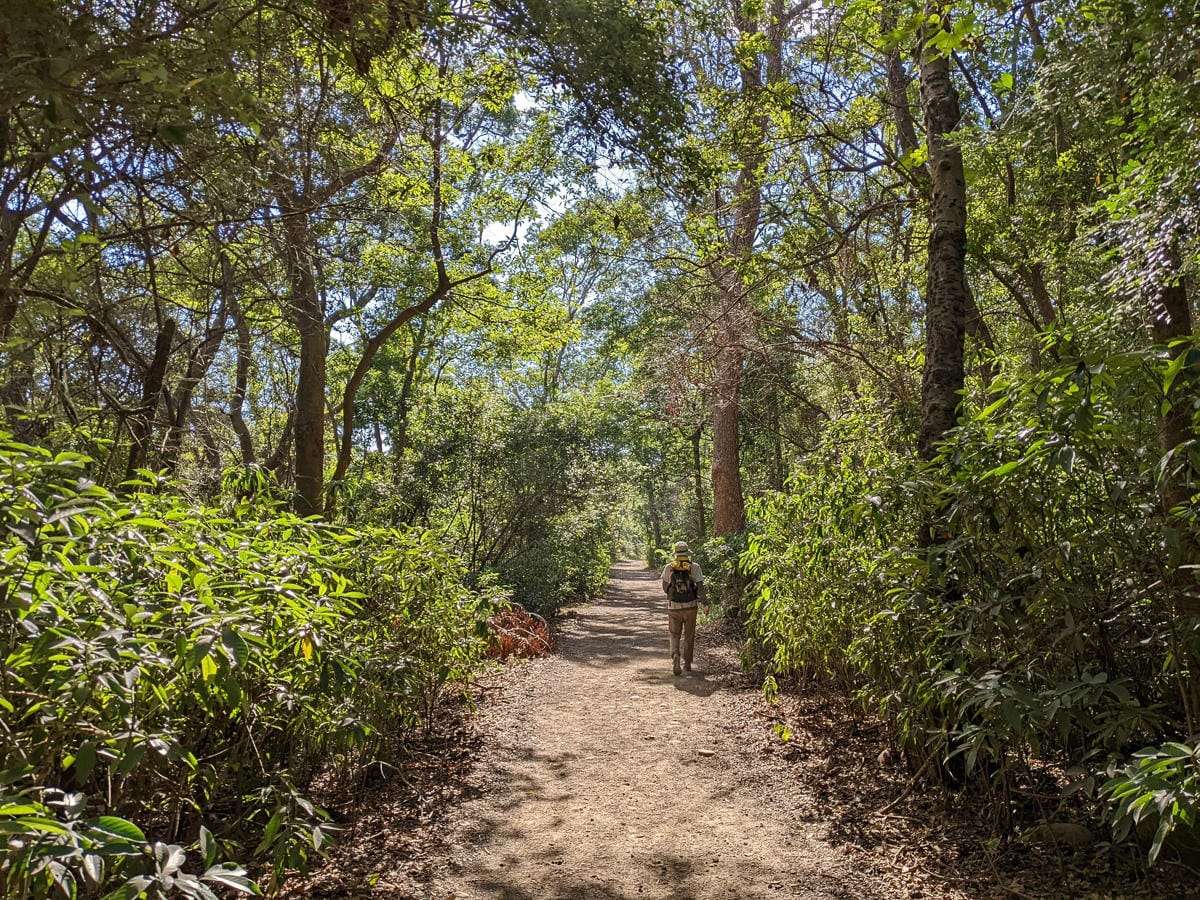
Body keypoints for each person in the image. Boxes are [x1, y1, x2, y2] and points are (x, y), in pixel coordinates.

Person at [660, 540, 705, 676]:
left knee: (674, 634)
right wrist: (705, 603)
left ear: (676, 554)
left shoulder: (669, 567)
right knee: (689, 635)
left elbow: (664, 588)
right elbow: (701, 589)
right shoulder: (695, 567)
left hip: (674, 608)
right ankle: (688, 663)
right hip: (691, 607)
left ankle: (675, 655)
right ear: (687, 553)